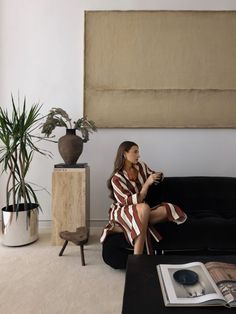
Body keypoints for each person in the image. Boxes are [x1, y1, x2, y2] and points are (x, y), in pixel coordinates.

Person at [100, 141, 187, 255]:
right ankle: (138, 257)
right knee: (145, 208)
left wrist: (157, 175)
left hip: (140, 211)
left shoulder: (141, 166)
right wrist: (146, 184)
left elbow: (154, 176)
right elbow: (130, 202)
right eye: (135, 152)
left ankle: (120, 228)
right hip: (123, 210)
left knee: (168, 209)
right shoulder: (116, 178)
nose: (138, 155)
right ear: (125, 154)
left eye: (138, 152)